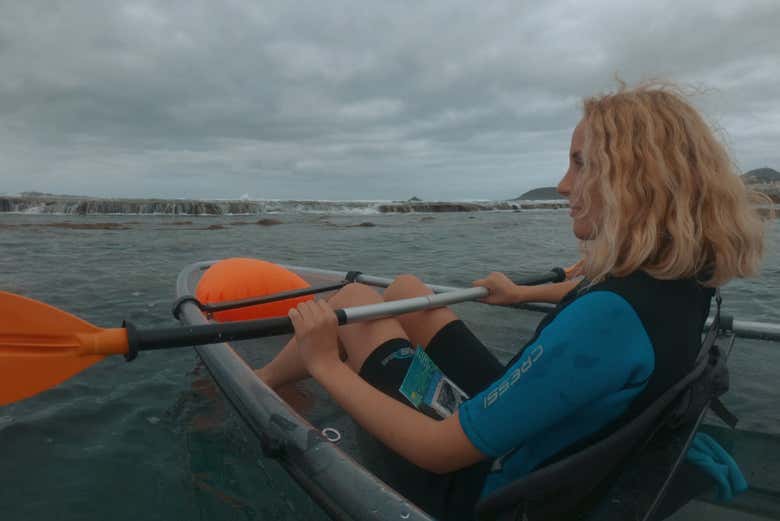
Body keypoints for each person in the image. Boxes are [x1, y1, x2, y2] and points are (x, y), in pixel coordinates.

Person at [256, 82, 767, 520]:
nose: (564, 185)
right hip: (540, 435)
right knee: (409, 290)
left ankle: (260, 389)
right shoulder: (685, 280)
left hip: (479, 485)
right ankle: (290, 376)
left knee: (353, 302)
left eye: (580, 164)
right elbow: (590, 300)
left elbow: (437, 452)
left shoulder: (607, 319)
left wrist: (326, 364)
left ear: (635, 183)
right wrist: (520, 293)